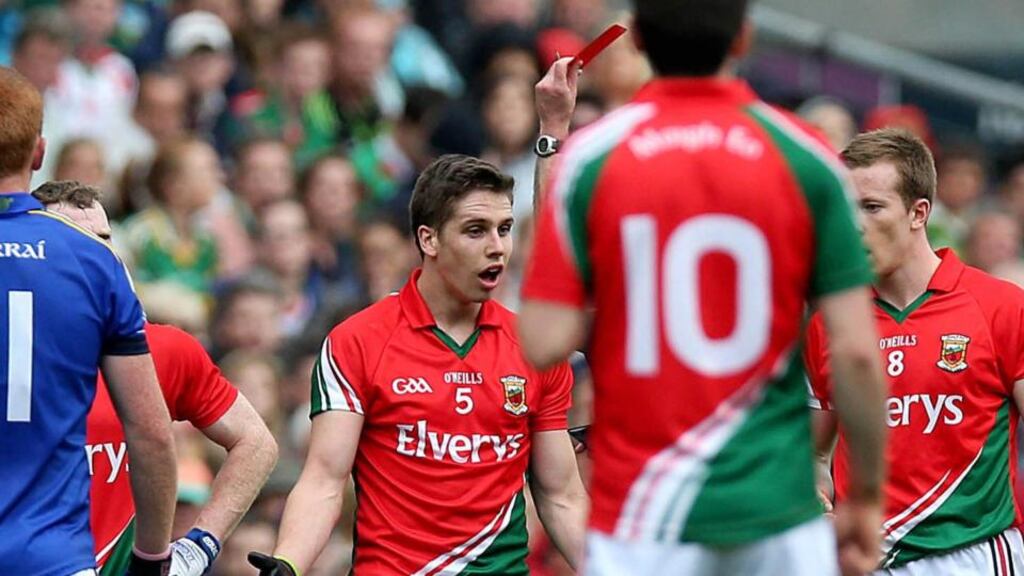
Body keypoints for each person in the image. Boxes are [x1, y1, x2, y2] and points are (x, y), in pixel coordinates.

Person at [518, 1, 889, 575]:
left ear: (636, 40)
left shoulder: (593, 158)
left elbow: (544, 339)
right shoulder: (806, 157)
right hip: (775, 511)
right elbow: (859, 355)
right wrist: (866, 498)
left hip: (643, 517)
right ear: (744, 38)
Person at [248, 154, 587, 575]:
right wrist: (289, 563)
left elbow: (561, 496)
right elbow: (324, 481)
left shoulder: (534, 347)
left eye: (504, 229)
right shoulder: (356, 342)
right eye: (475, 231)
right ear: (429, 240)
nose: (497, 247)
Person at [31, 180, 279, 576]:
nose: (98, 255)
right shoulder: (16, 350)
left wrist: (198, 547)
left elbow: (256, 443)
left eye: (104, 239)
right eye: (75, 241)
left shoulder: (163, 350)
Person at [805, 129, 1024, 574]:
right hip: (871, 562)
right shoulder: (830, 325)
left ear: (918, 212)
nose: (854, 225)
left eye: (871, 207)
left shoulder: (999, 306)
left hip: (974, 555)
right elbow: (814, 454)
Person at [0, 66, 176, 575]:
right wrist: (150, 557)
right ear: (39, 153)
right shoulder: (91, 260)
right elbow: (151, 433)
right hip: (54, 557)